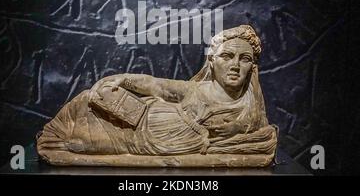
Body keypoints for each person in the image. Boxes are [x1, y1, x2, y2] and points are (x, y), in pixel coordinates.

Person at [37, 25, 277, 165]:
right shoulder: (195, 89)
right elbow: (157, 86)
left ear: (252, 68)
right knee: (86, 102)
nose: (235, 65)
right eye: (227, 56)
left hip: (142, 144)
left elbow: (255, 135)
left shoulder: (250, 111)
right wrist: (123, 79)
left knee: (81, 144)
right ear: (212, 62)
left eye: (244, 59)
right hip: (135, 123)